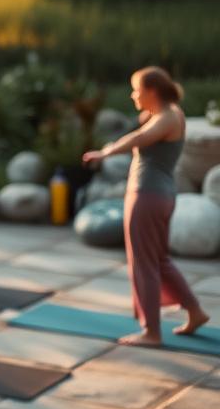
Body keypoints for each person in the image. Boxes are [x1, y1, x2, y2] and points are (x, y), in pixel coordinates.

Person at [83, 66, 209, 346]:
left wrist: (106, 152)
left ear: (152, 91)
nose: (132, 95)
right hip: (159, 195)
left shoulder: (167, 117)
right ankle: (196, 312)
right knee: (159, 261)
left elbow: (139, 138)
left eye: (136, 89)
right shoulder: (166, 115)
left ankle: (151, 331)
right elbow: (146, 130)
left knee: (144, 264)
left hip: (147, 196)